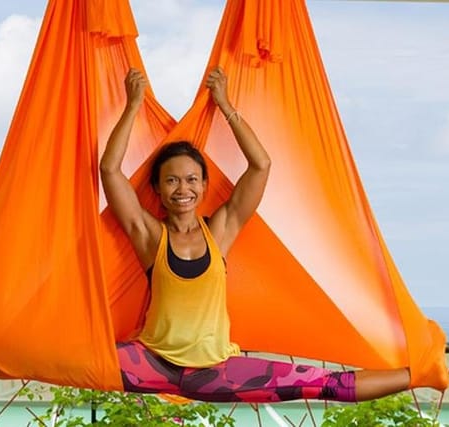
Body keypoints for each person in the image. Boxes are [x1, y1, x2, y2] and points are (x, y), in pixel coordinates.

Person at [99, 67, 411, 403]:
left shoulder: (220, 230)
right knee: (64, 354)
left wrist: (225, 105)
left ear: (204, 186)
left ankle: (419, 374)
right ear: (157, 189)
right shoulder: (148, 235)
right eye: (172, 180)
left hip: (215, 372)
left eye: (192, 179)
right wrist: (133, 106)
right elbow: (109, 170)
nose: (182, 188)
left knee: (326, 384)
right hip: (151, 363)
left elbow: (261, 164)